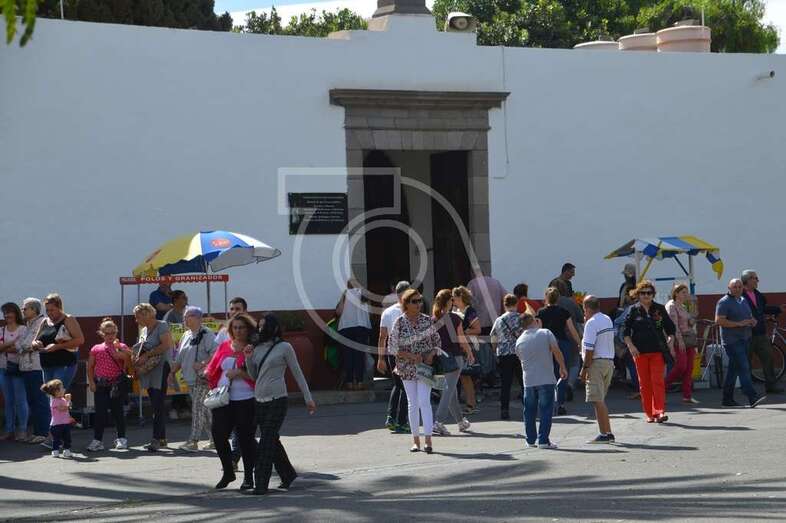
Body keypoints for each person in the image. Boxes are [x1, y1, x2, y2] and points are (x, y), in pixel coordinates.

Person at [244, 313, 317, 495]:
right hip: (259, 400)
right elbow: (254, 376)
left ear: (274, 327)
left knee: (266, 442)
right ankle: (288, 475)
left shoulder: (285, 347)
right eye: (259, 326)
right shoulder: (257, 348)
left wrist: (308, 398)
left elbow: (297, 373)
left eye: (264, 326)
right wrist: (248, 358)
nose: (261, 329)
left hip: (278, 400)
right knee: (272, 440)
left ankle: (261, 484)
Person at [205, 313, 258, 490]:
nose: (238, 331)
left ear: (248, 329)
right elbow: (213, 366)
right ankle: (228, 471)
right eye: (235, 327)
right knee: (218, 435)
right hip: (223, 399)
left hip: (246, 398)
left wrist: (240, 373)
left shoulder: (253, 348)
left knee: (246, 439)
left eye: (241, 327)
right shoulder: (224, 346)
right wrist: (206, 374)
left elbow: (258, 374)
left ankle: (249, 477)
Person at [388, 289, 441, 453]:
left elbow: (437, 342)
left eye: (420, 301)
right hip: (406, 368)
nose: (419, 304)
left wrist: (431, 355)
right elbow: (392, 347)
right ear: (406, 304)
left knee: (424, 401)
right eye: (414, 301)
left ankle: (428, 440)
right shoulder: (399, 322)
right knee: (412, 404)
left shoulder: (427, 321)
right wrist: (410, 356)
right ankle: (416, 440)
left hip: (425, 367)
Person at [623, 281, 676, 423]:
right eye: (643, 293)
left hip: (657, 351)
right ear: (638, 294)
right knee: (645, 384)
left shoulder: (659, 309)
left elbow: (671, 329)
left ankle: (659, 411)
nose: (646, 295)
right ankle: (649, 413)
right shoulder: (633, 310)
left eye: (649, 293)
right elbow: (625, 331)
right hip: (639, 353)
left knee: (657, 382)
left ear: (653, 295)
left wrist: (671, 341)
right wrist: (631, 346)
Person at [515, 314, 567, 449]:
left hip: (528, 380)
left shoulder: (519, 340)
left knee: (529, 411)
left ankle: (530, 439)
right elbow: (556, 350)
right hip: (546, 378)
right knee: (546, 410)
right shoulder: (545, 333)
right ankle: (543, 440)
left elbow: (520, 358)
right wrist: (562, 366)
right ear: (534, 321)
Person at [171, 306, 217, 451]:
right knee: (204, 411)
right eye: (184, 316)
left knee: (197, 409)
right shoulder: (186, 335)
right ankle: (215, 440)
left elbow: (216, 354)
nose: (185, 319)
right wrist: (171, 374)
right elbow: (179, 358)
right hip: (190, 379)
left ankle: (193, 441)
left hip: (202, 379)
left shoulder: (207, 334)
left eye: (188, 316)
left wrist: (202, 363)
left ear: (198, 318)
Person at [715, 279, 766, 408]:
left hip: (745, 339)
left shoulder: (743, 300)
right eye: (734, 287)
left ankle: (727, 399)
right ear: (729, 288)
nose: (737, 289)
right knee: (744, 367)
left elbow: (749, 316)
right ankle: (751, 395)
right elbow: (719, 321)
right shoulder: (724, 302)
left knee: (733, 370)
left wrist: (752, 321)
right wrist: (738, 324)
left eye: (739, 287)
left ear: (742, 288)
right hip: (732, 341)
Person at [132, 303, 174, 452]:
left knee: (158, 404)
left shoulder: (161, 325)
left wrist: (147, 355)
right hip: (148, 369)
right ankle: (162, 439)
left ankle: (156, 439)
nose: (136, 320)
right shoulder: (144, 330)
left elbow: (166, 345)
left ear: (147, 314)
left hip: (161, 368)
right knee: (156, 404)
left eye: (138, 317)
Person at [86, 318, 132, 452]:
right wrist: (91, 382)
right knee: (100, 414)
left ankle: (121, 439)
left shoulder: (122, 346)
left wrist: (119, 352)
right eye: (107, 333)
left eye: (113, 333)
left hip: (116, 384)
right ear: (102, 334)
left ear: (116, 332)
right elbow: (90, 366)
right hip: (101, 384)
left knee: (118, 413)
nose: (110, 336)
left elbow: (129, 361)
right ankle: (97, 440)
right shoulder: (96, 348)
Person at [432, 289, 473, 435]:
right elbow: (461, 339)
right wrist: (469, 352)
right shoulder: (455, 318)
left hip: (439, 359)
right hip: (454, 358)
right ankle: (438, 422)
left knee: (451, 391)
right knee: (448, 391)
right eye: (452, 300)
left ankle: (461, 422)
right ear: (449, 302)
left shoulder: (433, 319)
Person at [537, 288, 582, 416]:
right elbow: (572, 330)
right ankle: (560, 403)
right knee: (562, 373)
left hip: (546, 345)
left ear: (546, 298)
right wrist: (580, 343)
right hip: (562, 343)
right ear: (558, 298)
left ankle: (548, 402)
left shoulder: (541, 312)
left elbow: (538, 331)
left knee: (547, 373)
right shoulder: (564, 312)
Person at [741, 270, 785, 394]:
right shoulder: (740, 296)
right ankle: (747, 388)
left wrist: (777, 309)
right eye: (755, 278)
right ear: (747, 280)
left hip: (761, 333)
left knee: (768, 359)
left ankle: (771, 386)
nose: (757, 280)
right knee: (746, 362)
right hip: (746, 334)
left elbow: (762, 309)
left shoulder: (759, 295)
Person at [376, 280, 411, 432]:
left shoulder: (387, 312)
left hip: (392, 354)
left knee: (398, 385)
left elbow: (382, 337)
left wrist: (381, 358)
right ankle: (401, 422)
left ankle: (391, 417)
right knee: (406, 387)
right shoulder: (409, 311)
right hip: (406, 353)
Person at [581, 295, 616, 444]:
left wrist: (584, 369)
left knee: (597, 400)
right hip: (608, 362)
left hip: (596, 363)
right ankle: (608, 432)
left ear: (587, 308)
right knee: (600, 399)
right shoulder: (606, 319)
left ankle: (604, 434)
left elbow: (589, 349)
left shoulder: (591, 323)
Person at [32, 294, 84, 390]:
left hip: (64, 365)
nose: (49, 313)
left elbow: (80, 340)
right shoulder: (44, 321)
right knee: (50, 395)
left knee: (57, 393)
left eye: (52, 310)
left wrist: (57, 347)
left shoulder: (68, 319)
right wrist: (36, 344)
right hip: (46, 366)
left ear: (59, 308)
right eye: (47, 310)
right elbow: (35, 340)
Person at [16, 298, 50, 445]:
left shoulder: (42, 322)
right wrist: (25, 347)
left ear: (34, 310)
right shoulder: (28, 325)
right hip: (26, 367)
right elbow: (19, 345)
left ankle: (43, 433)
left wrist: (25, 347)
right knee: (32, 401)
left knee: (40, 400)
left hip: (36, 367)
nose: (22, 310)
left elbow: (33, 344)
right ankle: (37, 432)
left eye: (25, 308)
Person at [490, 294, 524, 420]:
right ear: (516, 304)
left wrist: (495, 351)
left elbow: (493, 337)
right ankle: (528, 407)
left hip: (504, 354)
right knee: (523, 382)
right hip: (519, 353)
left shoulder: (499, 320)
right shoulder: (521, 318)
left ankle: (504, 410)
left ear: (505, 305)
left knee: (506, 384)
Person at [665, 284, 700, 404]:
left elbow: (689, 323)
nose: (686, 295)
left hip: (688, 338)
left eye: (687, 292)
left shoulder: (683, 306)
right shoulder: (671, 306)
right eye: (683, 292)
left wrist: (693, 316)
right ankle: (662, 386)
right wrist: (679, 340)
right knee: (681, 366)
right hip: (678, 339)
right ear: (676, 293)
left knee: (689, 368)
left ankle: (687, 396)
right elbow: (673, 325)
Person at [336, 279, 372, 390]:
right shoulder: (364, 294)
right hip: (361, 328)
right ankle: (360, 382)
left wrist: (343, 297)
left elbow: (339, 311)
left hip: (346, 328)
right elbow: (369, 311)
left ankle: (349, 382)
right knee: (359, 356)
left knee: (348, 356)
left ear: (348, 286)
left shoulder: (346, 293)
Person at [0, 302, 29, 441]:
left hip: (18, 368)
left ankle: (22, 430)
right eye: (5, 312)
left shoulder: (23, 329)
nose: (7, 315)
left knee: (20, 400)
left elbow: (21, 348)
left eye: (9, 312)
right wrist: (13, 343)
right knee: (8, 401)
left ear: (16, 313)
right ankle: (9, 430)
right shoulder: (1, 330)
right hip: (3, 368)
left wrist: (6, 347)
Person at [452, 286, 480, 415]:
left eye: (455, 298)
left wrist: (464, 332)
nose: (453, 301)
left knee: (466, 376)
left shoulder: (470, 311)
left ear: (461, 298)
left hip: (468, 347)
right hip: (459, 346)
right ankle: (468, 404)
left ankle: (471, 404)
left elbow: (478, 329)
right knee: (462, 377)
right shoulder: (456, 310)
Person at [41, 379, 72, 458]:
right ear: (56, 392)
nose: (64, 389)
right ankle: (55, 451)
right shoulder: (54, 401)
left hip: (65, 423)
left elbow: (67, 408)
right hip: (56, 425)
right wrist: (68, 401)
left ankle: (66, 450)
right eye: (62, 388)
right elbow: (63, 409)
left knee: (67, 438)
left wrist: (68, 402)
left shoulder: (62, 399)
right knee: (56, 439)